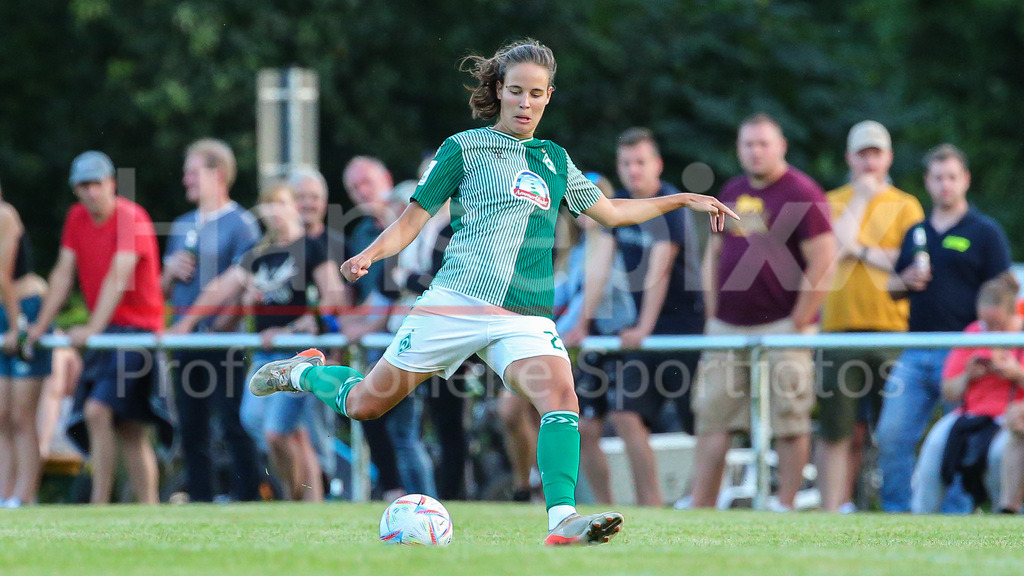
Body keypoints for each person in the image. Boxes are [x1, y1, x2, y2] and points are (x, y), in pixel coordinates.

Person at [247, 39, 735, 544]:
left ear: (548, 98)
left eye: (537, 94)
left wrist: (682, 198)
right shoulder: (463, 148)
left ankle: (562, 520)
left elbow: (611, 213)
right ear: (499, 91)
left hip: (524, 316)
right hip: (454, 302)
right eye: (517, 91)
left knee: (560, 398)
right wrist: (371, 254)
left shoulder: (555, 159)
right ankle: (304, 371)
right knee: (367, 404)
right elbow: (414, 219)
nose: (526, 103)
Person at [688, 113, 836, 511]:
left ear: (781, 146)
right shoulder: (732, 190)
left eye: (763, 144)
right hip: (727, 326)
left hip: (785, 325)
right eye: (748, 144)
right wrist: (712, 312)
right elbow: (714, 252)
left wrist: (801, 320)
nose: (755, 151)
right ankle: (701, 507)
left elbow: (824, 261)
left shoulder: (803, 191)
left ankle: (784, 505)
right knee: (713, 417)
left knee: (789, 419)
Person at [168, 183, 344, 502]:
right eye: (268, 205)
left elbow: (334, 298)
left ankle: (294, 497)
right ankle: (310, 499)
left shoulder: (311, 247)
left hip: (299, 355)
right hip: (265, 356)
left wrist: (306, 323)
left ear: (293, 207)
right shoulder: (258, 254)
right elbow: (220, 289)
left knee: (277, 431)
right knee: (259, 421)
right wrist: (190, 323)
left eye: (280, 203)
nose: (274, 211)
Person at [565, 128, 704, 507]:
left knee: (696, 422)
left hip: (676, 326)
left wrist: (643, 327)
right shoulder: (616, 206)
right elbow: (598, 266)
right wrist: (582, 322)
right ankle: (622, 507)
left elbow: (659, 271)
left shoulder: (668, 204)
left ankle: (666, 503)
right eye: (626, 163)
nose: (633, 170)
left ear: (657, 165)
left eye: (641, 162)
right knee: (605, 420)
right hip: (632, 329)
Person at [24, 151, 172, 504]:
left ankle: (99, 505)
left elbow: (118, 277)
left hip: (137, 333)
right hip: (109, 333)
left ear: (112, 184)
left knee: (97, 412)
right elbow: (62, 275)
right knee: (129, 428)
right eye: (83, 185)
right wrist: (38, 327)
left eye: (96, 184)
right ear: (76, 189)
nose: (91, 193)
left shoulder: (130, 218)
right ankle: (150, 509)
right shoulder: (76, 219)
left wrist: (91, 328)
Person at [877, 143, 1012, 512]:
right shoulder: (917, 232)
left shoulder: (985, 232)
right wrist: (905, 278)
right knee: (891, 436)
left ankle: (956, 517)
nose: (945, 185)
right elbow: (891, 289)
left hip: (965, 352)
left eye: (952, 177)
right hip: (916, 348)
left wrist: (994, 349)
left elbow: (1004, 295)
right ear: (927, 182)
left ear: (965, 180)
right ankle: (897, 515)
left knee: (960, 438)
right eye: (937, 178)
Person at [817, 121, 925, 513]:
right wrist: (861, 201)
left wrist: (858, 248)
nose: (869, 161)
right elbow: (829, 252)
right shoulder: (831, 200)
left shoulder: (907, 203)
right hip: (838, 330)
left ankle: (897, 509)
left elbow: (910, 262)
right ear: (849, 157)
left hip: (892, 329)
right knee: (836, 431)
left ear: (888, 157)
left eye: (875, 153)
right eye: (862, 153)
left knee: (893, 431)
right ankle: (831, 513)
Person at [162, 139, 263, 503]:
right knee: (190, 427)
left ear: (217, 174)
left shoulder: (242, 224)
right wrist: (168, 272)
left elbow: (234, 283)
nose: (186, 179)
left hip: (223, 342)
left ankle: (249, 498)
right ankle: (200, 500)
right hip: (185, 343)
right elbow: (160, 291)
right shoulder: (181, 224)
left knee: (234, 422)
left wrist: (188, 324)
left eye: (193, 172)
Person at [910, 273, 1022, 513]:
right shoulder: (973, 333)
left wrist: (1015, 373)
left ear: (1013, 313)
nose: (991, 332)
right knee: (935, 444)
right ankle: (921, 517)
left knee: (999, 454)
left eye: (998, 325)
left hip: (1013, 419)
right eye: (986, 324)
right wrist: (968, 375)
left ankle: (1002, 519)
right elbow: (949, 391)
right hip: (972, 416)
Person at [0, 181, 52, 508]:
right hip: (3, 311)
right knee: (2, 415)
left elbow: (2, 274)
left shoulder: (5, 214)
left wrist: (16, 325)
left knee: (22, 415)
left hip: (23, 309)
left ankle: (24, 495)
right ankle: (6, 494)